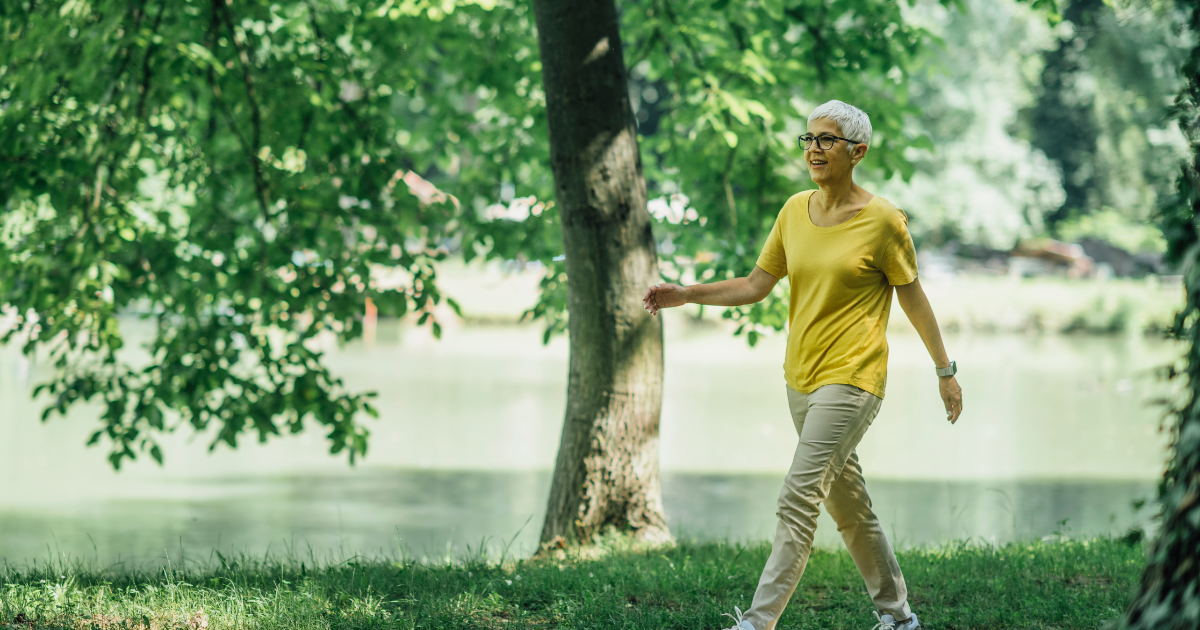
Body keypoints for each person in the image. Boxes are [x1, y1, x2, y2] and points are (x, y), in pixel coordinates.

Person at [641, 100, 963, 630]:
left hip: (854, 379)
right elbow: (754, 285)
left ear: (857, 152)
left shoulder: (884, 221)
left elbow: (913, 298)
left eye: (827, 140)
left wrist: (944, 372)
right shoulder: (794, 210)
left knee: (798, 496)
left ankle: (757, 622)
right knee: (849, 505)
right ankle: (900, 618)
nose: (814, 148)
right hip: (801, 379)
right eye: (809, 139)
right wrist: (686, 294)